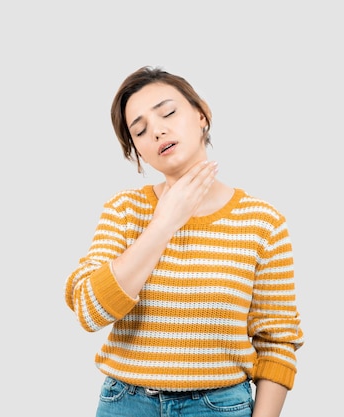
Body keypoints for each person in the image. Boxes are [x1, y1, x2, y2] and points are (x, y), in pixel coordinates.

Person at [64, 66, 304, 417]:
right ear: (138, 152)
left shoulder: (263, 222)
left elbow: (277, 342)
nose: (157, 130)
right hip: (125, 403)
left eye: (168, 112)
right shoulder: (124, 211)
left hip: (218, 406)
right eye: (140, 130)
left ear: (202, 115)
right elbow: (89, 310)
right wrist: (164, 223)